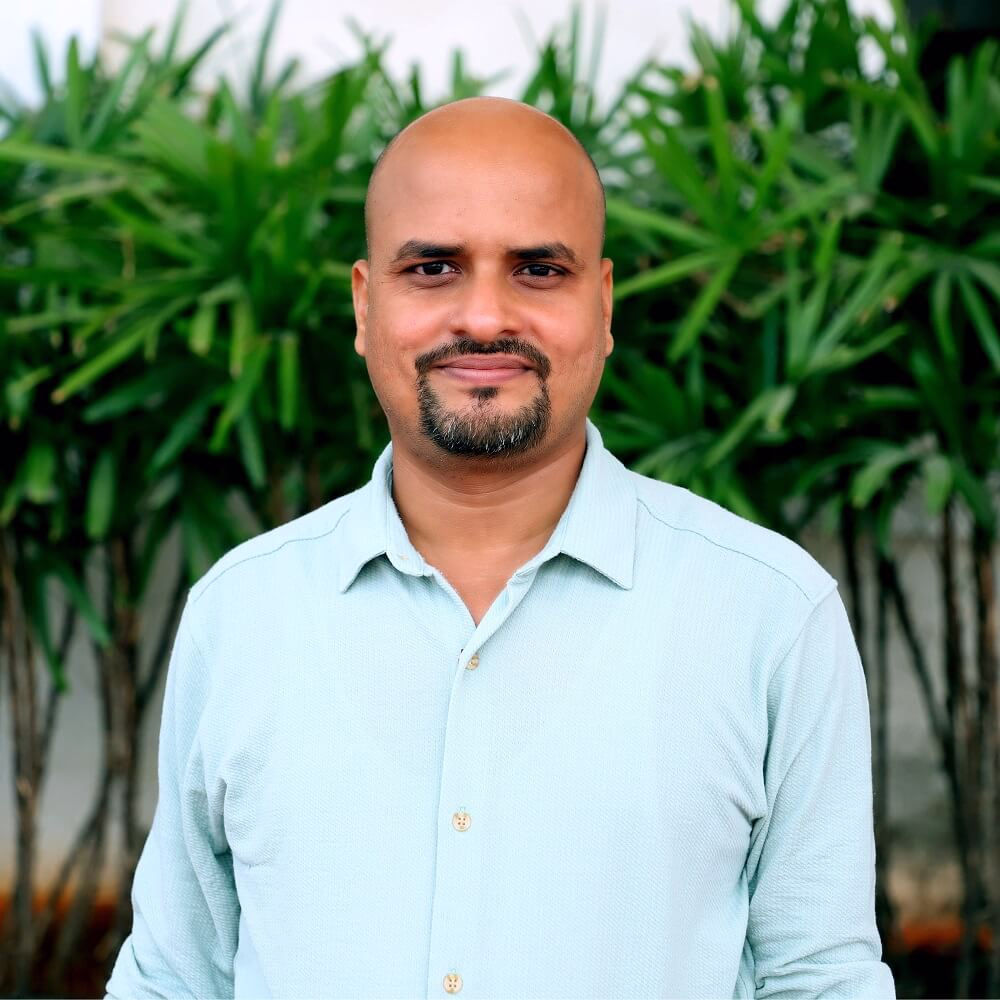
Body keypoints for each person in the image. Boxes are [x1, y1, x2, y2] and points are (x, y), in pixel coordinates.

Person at [105, 97, 896, 999]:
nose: (484, 316)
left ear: (603, 304)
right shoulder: (243, 613)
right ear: (365, 304)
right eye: (433, 267)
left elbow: (819, 979)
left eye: (538, 269)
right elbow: (173, 977)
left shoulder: (769, 616)